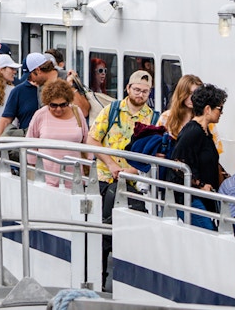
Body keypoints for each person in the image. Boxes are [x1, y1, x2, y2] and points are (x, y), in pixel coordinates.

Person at [87, 70, 155, 288]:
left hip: (133, 185)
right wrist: (111, 164)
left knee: (128, 234)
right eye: (137, 89)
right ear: (128, 88)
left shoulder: (152, 118)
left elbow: (153, 156)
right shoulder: (112, 110)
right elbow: (92, 140)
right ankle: (98, 278)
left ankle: (127, 281)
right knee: (101, 233)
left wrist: (133, 172)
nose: (140, 94)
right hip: (104, 179)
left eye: (145, 91)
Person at [169, 83, 226, 229]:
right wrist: (200, 185)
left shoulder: (205, 132)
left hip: (202, 197)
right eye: (220, 108)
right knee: (209, 234)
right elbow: (178, 164)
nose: (221, 113)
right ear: (208, 109)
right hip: (190, 198)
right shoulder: (193, 132)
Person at [27, 78, 89, 187]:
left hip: (75, 176)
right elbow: (30, 144)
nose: (58, 109)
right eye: (54, 105)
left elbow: (86, 140)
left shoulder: (77, 112)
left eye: (63, 105)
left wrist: (88, 163)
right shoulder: (40, 115)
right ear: (47, 102)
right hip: (46, 177)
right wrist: (34, 166)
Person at [0, 52, 58, 138]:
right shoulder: (18, 91)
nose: (30, 80)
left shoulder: (60, 87)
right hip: (28, 144)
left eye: (30, 76)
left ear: (38, 71)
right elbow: (5, 120)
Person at [157, 74, 225, 156]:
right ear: (181, 94)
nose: (192, 97)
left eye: (196, 93)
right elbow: (154, 143)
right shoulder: (166, 117)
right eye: (189, 93)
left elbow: (216, 149)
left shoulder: (206, 119)